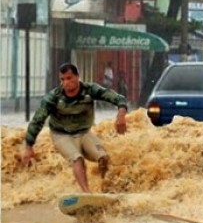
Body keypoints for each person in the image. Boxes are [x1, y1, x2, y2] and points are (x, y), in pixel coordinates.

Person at [22, 63, 128, 193]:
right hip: (61, 135)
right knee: (78, 159)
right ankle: (86, 193)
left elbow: (118, 98)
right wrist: (29, 146)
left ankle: (104, 190)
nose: (66, 82)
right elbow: (37, 121)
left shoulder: (90, 90)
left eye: (69, 78)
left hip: (84, 133)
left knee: (104, 158)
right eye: (62, 79)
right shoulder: (53, 97)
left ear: (78, 77)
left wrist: (121, 114)